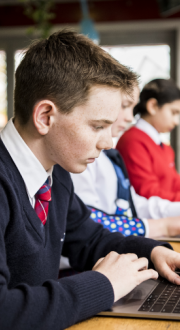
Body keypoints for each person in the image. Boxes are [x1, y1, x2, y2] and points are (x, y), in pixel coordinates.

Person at [1, 30, 180, 330]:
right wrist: (103, 285)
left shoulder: (55, 177)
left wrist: (152, 251)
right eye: (98, 126)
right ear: (45, 116)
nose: (109, 143)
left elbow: (92, 239)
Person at [71, 88, 180, 239]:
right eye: (124, 105)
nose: (130, 117)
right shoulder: (79, 157)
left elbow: (133, 204)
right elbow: (88, 222)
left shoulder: (109, 156)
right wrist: (163, 227)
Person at [116, 78, 180, 201]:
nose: (176, 121)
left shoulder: (164, 147)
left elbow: (174, 182)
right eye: (173, 112)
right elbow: (147, 192)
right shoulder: (132, 141)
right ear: (153, 106)